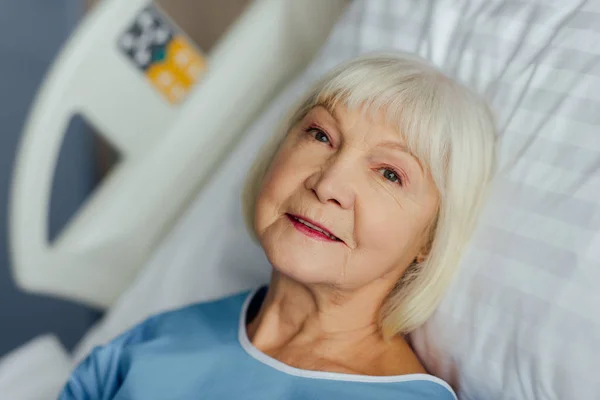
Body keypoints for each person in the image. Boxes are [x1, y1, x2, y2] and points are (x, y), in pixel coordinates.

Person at [58, 52, 495, 400]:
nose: (328, 183)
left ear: (430, 241)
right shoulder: (158, 339)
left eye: (389, 174)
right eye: (320, 135)